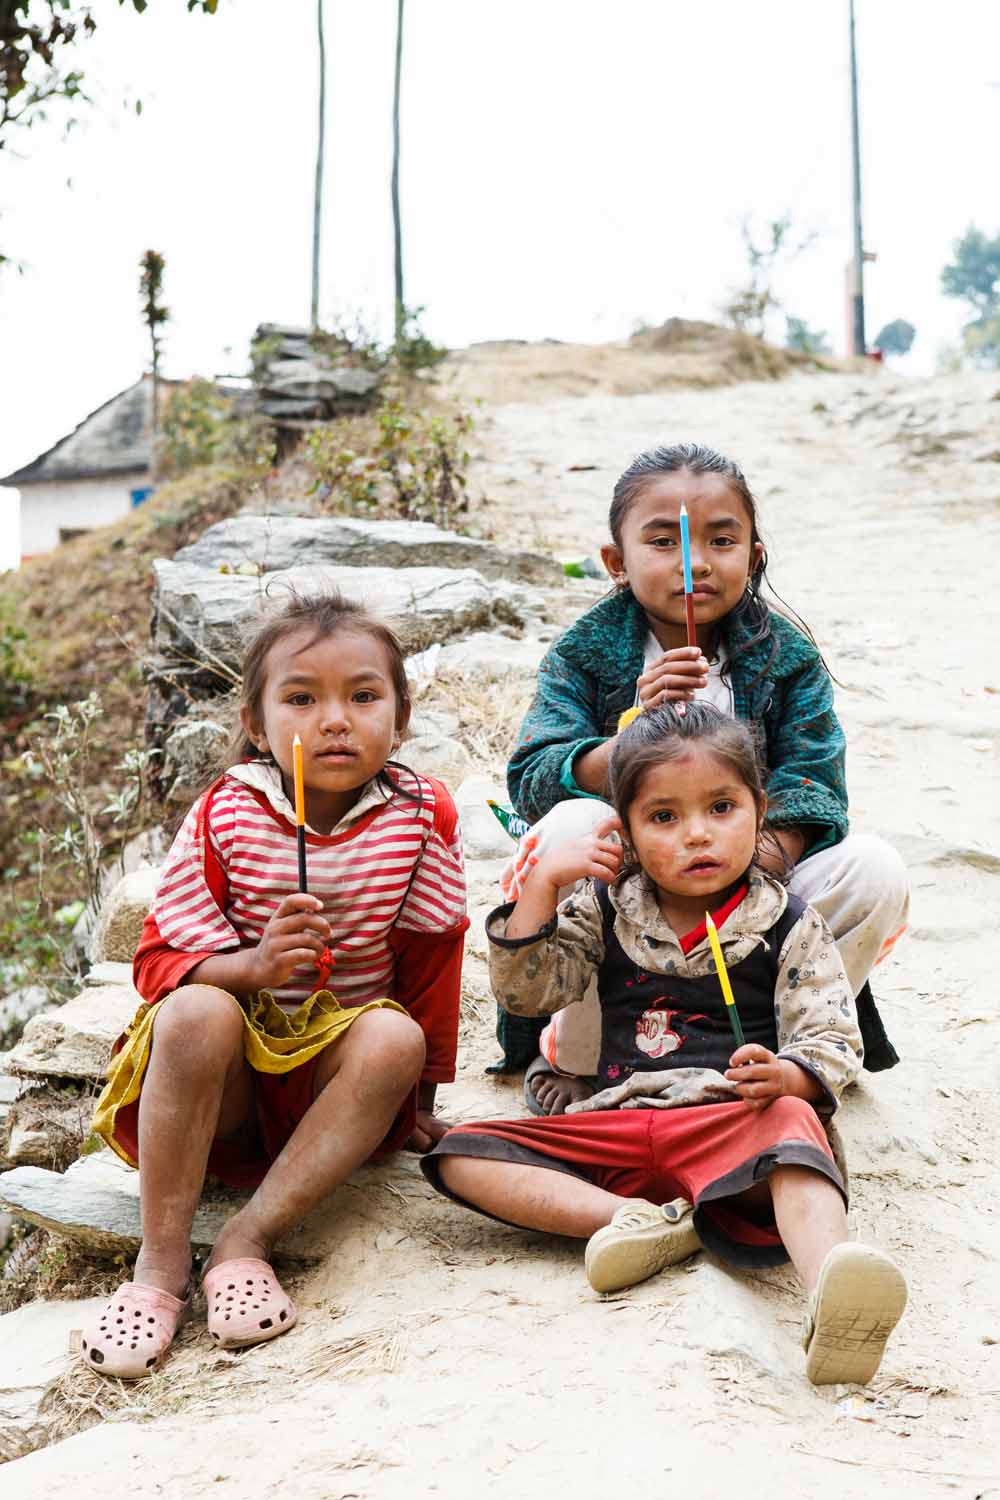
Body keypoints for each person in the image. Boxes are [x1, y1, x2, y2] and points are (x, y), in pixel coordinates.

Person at [423, 703, 907, 1386]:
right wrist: (541, 885)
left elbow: (830, 1033)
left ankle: (832, 1284)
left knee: (797, 1127)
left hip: (733, 1129)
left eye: (721, 807)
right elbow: (529, 994)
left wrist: (789, 1077)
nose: (698, 836)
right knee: (459, 1155)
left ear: (759, 810)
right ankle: (644, 1222)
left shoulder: (788, 922)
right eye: (664, 818)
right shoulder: (607, 906)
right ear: (623, 832)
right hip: (619, 1121)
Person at [86, 591, 468, 1379]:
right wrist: (252, 968)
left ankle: (246, 1240)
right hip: (225, 1088)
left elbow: (433, 953)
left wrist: (423, 1098)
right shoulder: (227, 813)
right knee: (196, 1009)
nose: (335, 720)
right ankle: (160, 1267)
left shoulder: (421, 813)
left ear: (399, 716)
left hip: (332, 1088)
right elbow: (159, 964)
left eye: (364, 697)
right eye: (301, 698)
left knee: (394, 1032)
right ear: (257, 726)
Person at [497, 441, 908, 1107]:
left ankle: (790, 1049)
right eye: (663, 542)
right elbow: (536, 776)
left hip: (757, 878)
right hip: (631, 888)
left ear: (755, 555)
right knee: (575, 824)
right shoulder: (584, 652)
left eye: (722, 540)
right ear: (616, 563)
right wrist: (633, 724)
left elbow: (816, 785)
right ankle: (579, 1059)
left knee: (874, 869)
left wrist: (753, 859)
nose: (694, 562)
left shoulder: (787, 656)